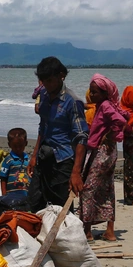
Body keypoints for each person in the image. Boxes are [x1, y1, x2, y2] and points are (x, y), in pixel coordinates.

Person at [28, 57, 89, 212]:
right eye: (43, 81)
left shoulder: (72, 102)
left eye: (49, 80)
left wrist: (76, 172)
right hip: (44, 156)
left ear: (61, 75)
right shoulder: (44, 95)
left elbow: (81, 137)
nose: (46, 85)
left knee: (61, 207)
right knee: (34, 203)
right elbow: (43, 127)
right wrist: (34, 156)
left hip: (63, 160)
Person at [81, 75, 126, 241]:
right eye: (91, 92)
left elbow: (121, 120)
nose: (92, 95)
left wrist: (109, 134)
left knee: (88, 187)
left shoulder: (105, 105)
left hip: (102, 151)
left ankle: (87, 230)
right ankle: (109, 230)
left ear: (105, 93)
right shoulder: (104, 105)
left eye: (95, 92)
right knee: (107, 188)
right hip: (109, 150)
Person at [0, 128, 30, 197]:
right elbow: (3, 179)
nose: (18, 148)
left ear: (26, 143)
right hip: (11, 195)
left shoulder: (28, 160)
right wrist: (4, 195)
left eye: (20, 146)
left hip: (26, 195)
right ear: (9, 145)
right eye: (15, 146)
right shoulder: (8, 160)